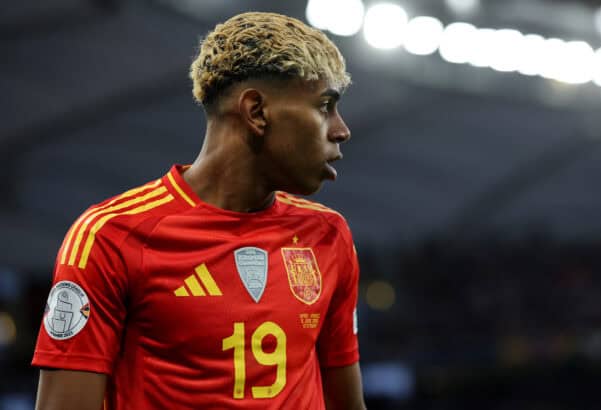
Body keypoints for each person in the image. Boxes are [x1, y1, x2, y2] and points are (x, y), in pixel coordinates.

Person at [32, 11, 365, 410]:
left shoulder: (328, 235)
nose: (341, 129)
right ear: (256, 111)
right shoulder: (110, 237)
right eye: (325, 106)